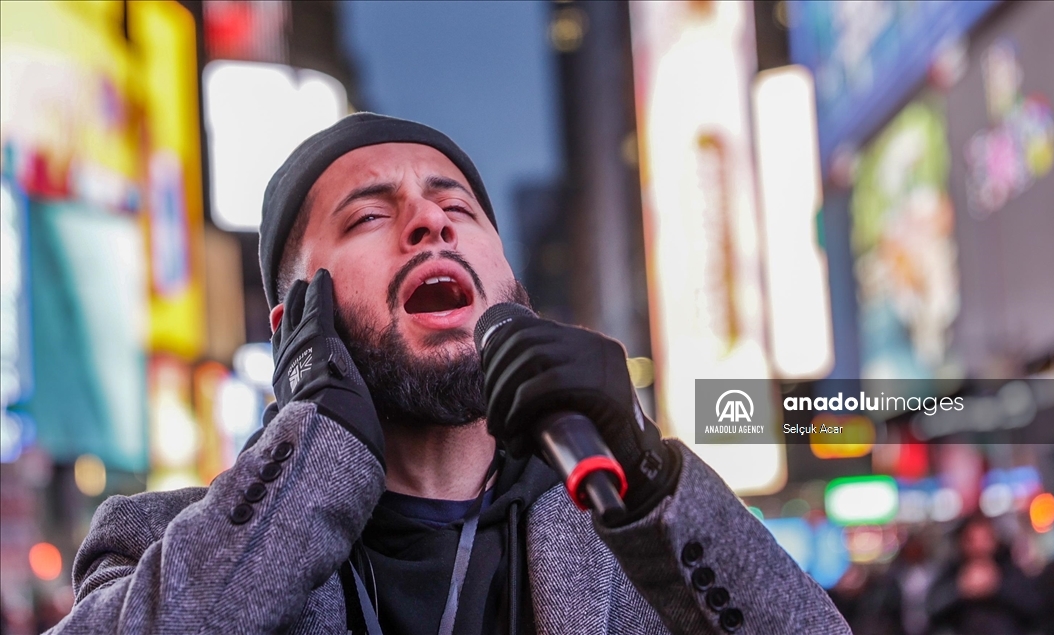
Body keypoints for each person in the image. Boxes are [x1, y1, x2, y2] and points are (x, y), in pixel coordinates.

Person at [47, 113, 848, 634]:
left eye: (457, 208)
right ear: (297, 326)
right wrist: (312, 455)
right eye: (368, 214)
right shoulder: (159, 543)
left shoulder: (626, 537)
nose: (428, 221)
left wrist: (646, 468)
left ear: (512, 290)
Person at [926, 513, 1041, 635]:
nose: (979, 546)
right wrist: (960, 590)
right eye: (972, 540)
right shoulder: (951, 571)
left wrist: (997, 587)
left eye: (985, 539)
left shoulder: (1010, 570)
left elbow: (1034, 609)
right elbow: (933, 609)